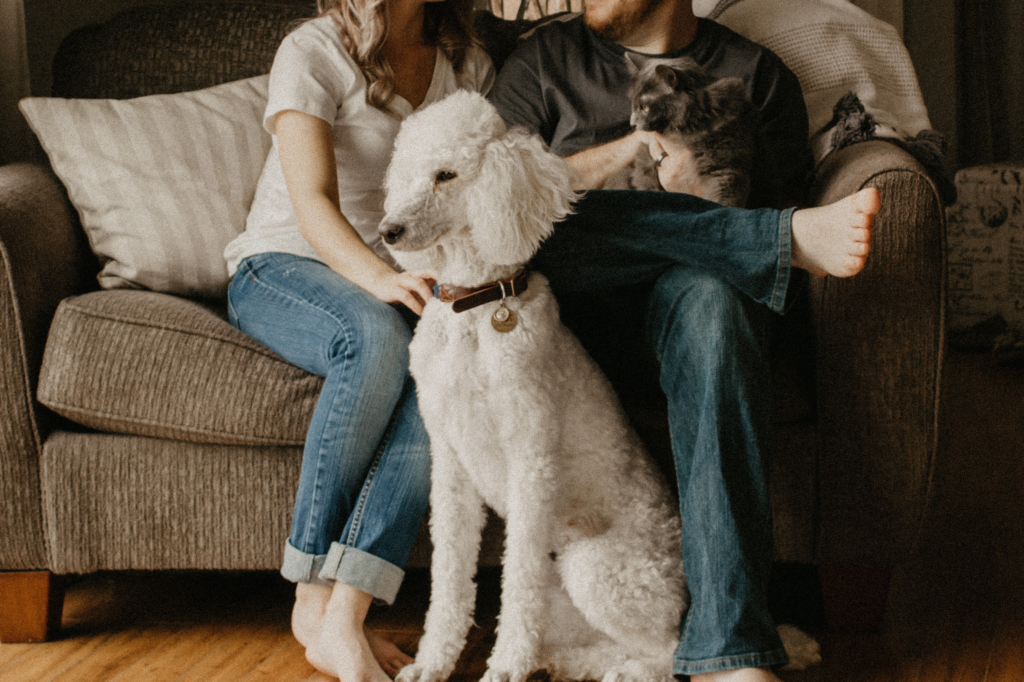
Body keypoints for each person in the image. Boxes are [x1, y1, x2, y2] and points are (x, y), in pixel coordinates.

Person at [488, 1, 879, 681]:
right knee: (539, 221)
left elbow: (768, 235)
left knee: (719, 298)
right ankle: (768, 245)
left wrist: (697, 195)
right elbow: (494, 207)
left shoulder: (753, 75)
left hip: (690, 307)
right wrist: (627, 155)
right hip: (570, 313)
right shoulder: (544, 63)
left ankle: (727, 650)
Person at [222, 0, 493, 679]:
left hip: (403, 275)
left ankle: (345, 616)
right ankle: (310, 601)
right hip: (284, 264)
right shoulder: (312, 50)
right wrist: (377, 276)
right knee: (373, 339)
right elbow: (310, 197)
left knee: (447, 379)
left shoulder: (468, 63)